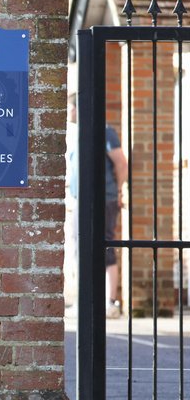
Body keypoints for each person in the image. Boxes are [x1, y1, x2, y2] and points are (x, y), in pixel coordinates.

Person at [67, 93, 128, 318]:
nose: (68, 112)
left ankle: (110, 303)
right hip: (81, 200)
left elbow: (121, 163)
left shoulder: (104, 131)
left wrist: (118, 191)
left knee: (106, 246)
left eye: (70, 107)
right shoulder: (78, 134)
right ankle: (85, 301)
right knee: (80, 246)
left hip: (104, 198)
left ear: (78, 108)